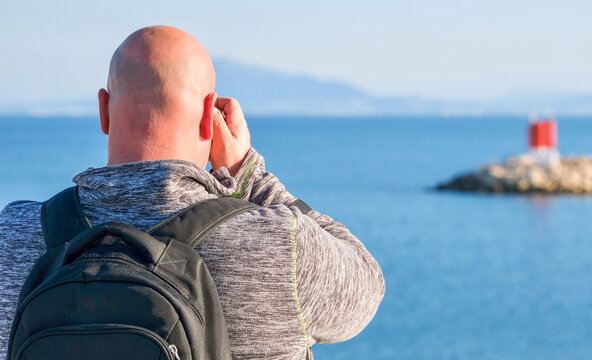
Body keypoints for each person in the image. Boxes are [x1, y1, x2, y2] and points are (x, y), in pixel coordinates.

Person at [0, 26, 385, 359]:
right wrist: (247, 173)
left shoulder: (13, 236)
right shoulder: (278, 244)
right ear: (208, 117)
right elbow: (366, 286)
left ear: (103, 110)